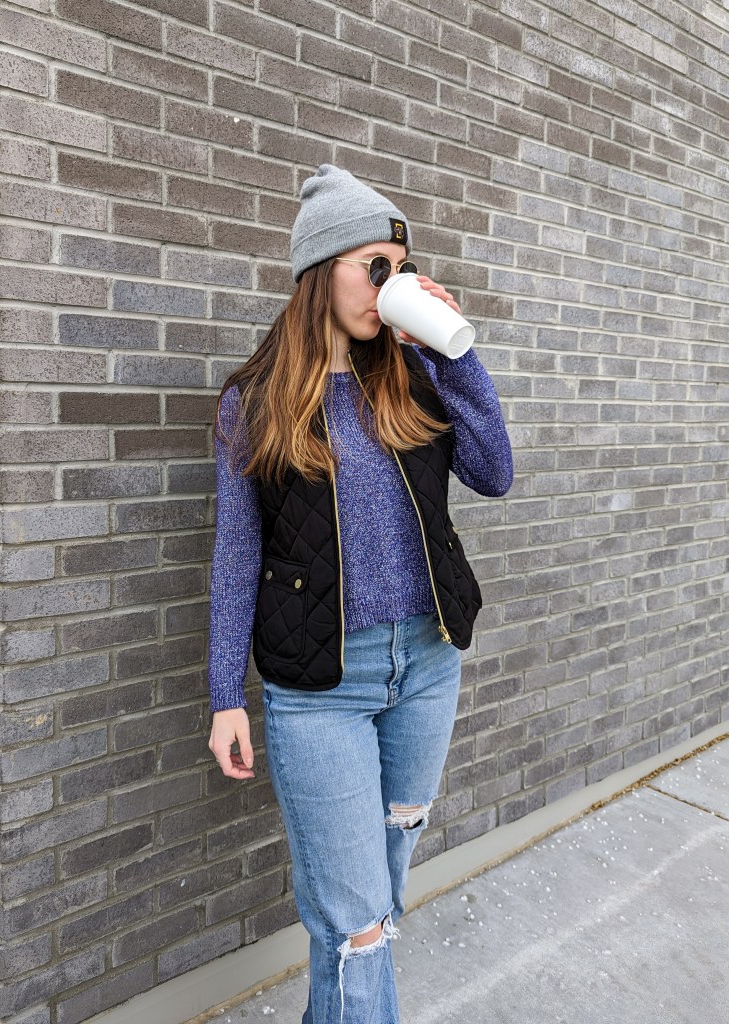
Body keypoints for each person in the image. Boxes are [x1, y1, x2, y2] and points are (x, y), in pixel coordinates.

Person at [208, 165, 513, 1023]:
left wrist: (454, 351)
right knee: (357, 927)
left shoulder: (412, 382)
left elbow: (494, 473)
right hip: (318, 690)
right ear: (320, 272)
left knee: (372, 902)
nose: (392, 284)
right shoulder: (255, 402)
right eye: (373, 265)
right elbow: (236, 556)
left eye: (401, 266)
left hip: (425, 667)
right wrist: (223, 693)